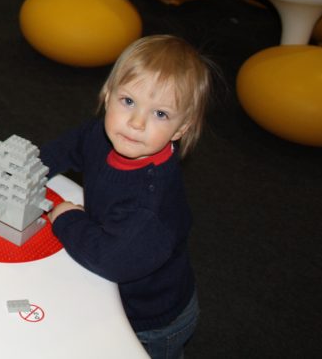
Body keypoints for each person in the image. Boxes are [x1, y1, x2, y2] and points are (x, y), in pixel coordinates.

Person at [40, 35, 214, 359]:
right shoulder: (102, 134)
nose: (136, 123)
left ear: (181, 129)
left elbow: (112, 260)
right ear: (108, 96)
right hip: (121, 280)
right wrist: (33, 168)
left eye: (160, 114)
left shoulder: (150, 205)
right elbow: (72, 146)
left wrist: (68, 218)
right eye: (128, 101)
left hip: (151, 319)